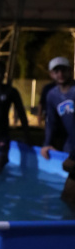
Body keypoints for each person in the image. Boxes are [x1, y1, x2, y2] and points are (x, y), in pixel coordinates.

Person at [40, 56, 75, 207]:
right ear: (51, 74)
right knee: (67, 198)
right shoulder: (52, 95)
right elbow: (51, 122)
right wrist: (46, 143)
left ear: (70, 71)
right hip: (71, 145)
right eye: (56, 71)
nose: (60, 74)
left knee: (69, 195)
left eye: (63, 70)